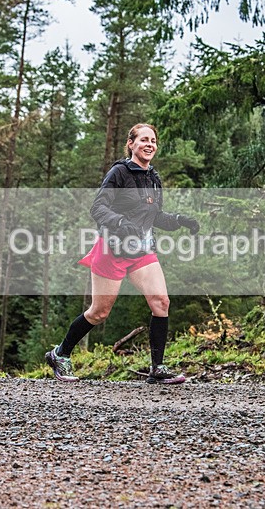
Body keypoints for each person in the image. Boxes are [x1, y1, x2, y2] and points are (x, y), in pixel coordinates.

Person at [45, 123, 199, 384]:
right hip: (112, 249)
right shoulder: (118, 173)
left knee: (161, 302)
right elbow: (98, 208)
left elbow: (155, 215)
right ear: (131, 144)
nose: (149, 144)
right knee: (99, 312)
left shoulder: (153, 177)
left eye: (153, 140)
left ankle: (158, 369)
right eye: (143, 140)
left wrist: (179, 220)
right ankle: (60, 354)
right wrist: (119, 223)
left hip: (142, 250)